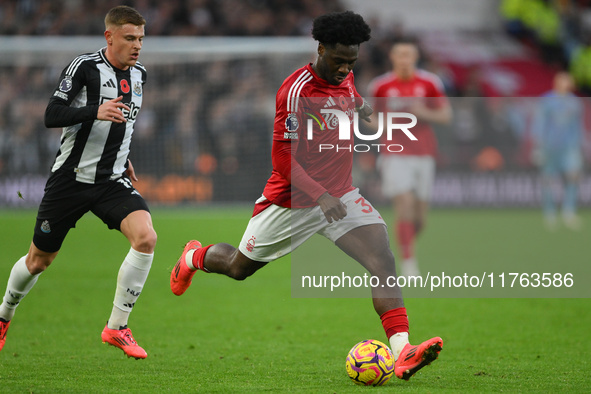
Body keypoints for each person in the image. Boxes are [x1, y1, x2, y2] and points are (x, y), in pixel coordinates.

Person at [171, 11, 442, 381]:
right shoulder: (296, 90)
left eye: (352, 62)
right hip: (292, 201)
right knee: (238, 267)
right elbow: (282, 160)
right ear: (320, 48)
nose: (346, 69)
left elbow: (349, 95)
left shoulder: (343, 78)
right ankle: (193, 257)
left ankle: (403, 351)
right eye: (339, 60)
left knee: (382, 258)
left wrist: (363, 108)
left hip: (341, 195)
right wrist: (319, 196)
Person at [0, 6, 156, 359]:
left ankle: (117, 327)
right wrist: (93, 110)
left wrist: (122, 155)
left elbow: (123, 123)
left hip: (110, 180)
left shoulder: (140, 74)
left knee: (146, 237)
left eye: (141, 39)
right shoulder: (85, 68)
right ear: (110, 36)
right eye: (130, 38)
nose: (137, 46)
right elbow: (50, 115)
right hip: (70, 180)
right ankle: (3, 316)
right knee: (39, 260)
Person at [368, 38, 452, 277]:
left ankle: (405, 244)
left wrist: (422, 112)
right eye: (400, 55)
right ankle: (408, 262)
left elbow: (446, 115)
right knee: (403, 204)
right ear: (392, 58)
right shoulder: (381, 86)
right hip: (395, 152)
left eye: (408, 55)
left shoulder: (429, 83)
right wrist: (382, 126)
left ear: (415, 58)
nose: (404, 59)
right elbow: (371, 117)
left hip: (424, 153)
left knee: (420, 218)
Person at [532, 71, 584, 230]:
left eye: (568, 81)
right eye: (563, 81)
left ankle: (569, 211)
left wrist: (578, 147)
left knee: (573, 176)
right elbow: (540, 124)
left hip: (569, 147)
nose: (566, 84)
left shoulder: (575, 103)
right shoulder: (547, 101)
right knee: (548, 179)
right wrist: (538, 146)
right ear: (556, 83)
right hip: (549, 147)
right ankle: (550, 212)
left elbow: (577, 127)